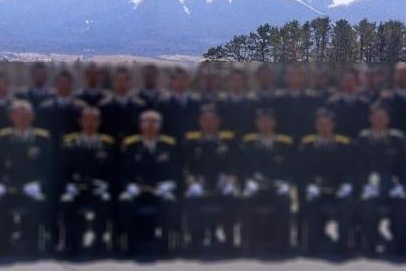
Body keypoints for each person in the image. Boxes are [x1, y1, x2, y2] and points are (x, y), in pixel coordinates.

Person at [0, 100, 52, 255]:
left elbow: (48, 168)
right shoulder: (3, 137)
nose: (22, 119)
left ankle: (31, 244)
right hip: (9, 186)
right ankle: (0, 244)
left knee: (39, 201)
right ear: (11, 117)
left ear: (33, 117)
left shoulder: (42, 137)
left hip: (32, 186)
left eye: (26, 115)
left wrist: (39, 184)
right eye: (18, 115)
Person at [118, 110, 178, 255]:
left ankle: (166, 246)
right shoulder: (130, 144)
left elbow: (176, 171)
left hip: (160, 190)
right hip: (137, 190)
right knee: (125, 200)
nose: (150, 126)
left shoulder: (169, 145)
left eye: (154, 122)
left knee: (169, 200)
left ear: (160, 126)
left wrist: (168, 184)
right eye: (146, 122)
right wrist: (128, 185)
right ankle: (131, 245)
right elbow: (121, 172)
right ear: (140, 125)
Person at [355, 104, 406, 257]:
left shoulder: (398, 138)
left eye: (382, 117)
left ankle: (400, 245)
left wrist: (401, 185)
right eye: (376, 117)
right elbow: (358, 165)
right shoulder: (363, 138)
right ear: (370, 119)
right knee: (367, 204)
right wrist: (364, 185)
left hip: (393, 182)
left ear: (388, 119)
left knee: (401, 203)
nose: (379, 120)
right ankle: (370, 243)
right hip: (370, 183)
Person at [181, 104, 238, 253]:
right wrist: (192, 182)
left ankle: (229, 241)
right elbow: (186, 165)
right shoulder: (191, 141)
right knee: (191, 198)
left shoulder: (228, 140)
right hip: (199, 182)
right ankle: (195, 240)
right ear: (200, 122)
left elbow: (234, 163)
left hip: (221, 182)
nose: (209, 123)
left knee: (232, 196)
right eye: (205, 120)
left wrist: (229, 180)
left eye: (212, 120)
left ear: (219, 122)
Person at [59, 107, 115, 255]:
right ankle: (71, 242)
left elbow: (113, 170)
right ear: (80, 122)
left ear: (99, 122)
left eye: (94, 120)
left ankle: (99, 243)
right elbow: (62, 169)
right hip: (76, 187)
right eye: (86, 120)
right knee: (66, 201)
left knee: (104, 201)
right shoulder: (69, 142)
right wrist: (68, 185)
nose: (90, 123)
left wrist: (106, 185)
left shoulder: (108, 143)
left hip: (97, 187)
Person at [298, 108, 354, 256]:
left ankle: (343, 245)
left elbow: (350, 168)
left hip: (338, 187)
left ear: (333, 125)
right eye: (320, 124)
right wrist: (309, 185)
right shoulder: (307, 144)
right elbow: (302, 170)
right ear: (315, 125)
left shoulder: (344, 144)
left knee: (347, 204)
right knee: (311, 203)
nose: (324, 127)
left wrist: (346, 184)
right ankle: (313, 246)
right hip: (316, 187)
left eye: (327, 124)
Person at [239, 108, 294, 254]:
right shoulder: (248, 142)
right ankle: (248, 242)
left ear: (274, 123)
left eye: (268, 121)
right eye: (262, 121)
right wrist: (248, 181)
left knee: (284, 200)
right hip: (256, 185)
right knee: (246, 199)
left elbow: (291, 168)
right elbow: (242, 168)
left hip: (277, 185)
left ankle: (282, 244)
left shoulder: (285, 143)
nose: (265, 125)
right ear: (256, 123)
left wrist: (286, 183)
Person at [99, 66, 146, 141]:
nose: (121, 83)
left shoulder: (139, 105)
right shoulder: (104, 105)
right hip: (110, 143)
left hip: (132, 143)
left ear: (129, 82)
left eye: (124, 80)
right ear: (114, 82)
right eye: (118, 80)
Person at [274, 65, 321, 139]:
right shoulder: (278, 98)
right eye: (291, 74)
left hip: (307, 139)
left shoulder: (313, 98)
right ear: (286, 77)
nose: (295, 78)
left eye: (299, 75)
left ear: (304, 77)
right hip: (284, 139)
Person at [326, 68, 370, 139]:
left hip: (359, 138)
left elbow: (367, 123)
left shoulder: (364, 103)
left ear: (356, 83)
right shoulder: (333, 103)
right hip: (339, 139)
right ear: (341, 83)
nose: (348, 84)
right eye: (346, 81)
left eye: (351, 81)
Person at [158, 67, 201, 140]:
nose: (180, 83)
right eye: (177, 80)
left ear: (188, 81)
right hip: (170, 141)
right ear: (172, 82)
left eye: (183, 80)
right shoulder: (164, 103)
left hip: (191, 141)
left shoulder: (196, 102)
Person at [217, 68, 256, 137]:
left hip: (246, 136)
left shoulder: (251, 101)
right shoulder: (222, 102)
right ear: (229, 81)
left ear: (243, 81)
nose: (236, 83)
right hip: (227, 137)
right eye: (234, 80)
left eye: (239, 80)